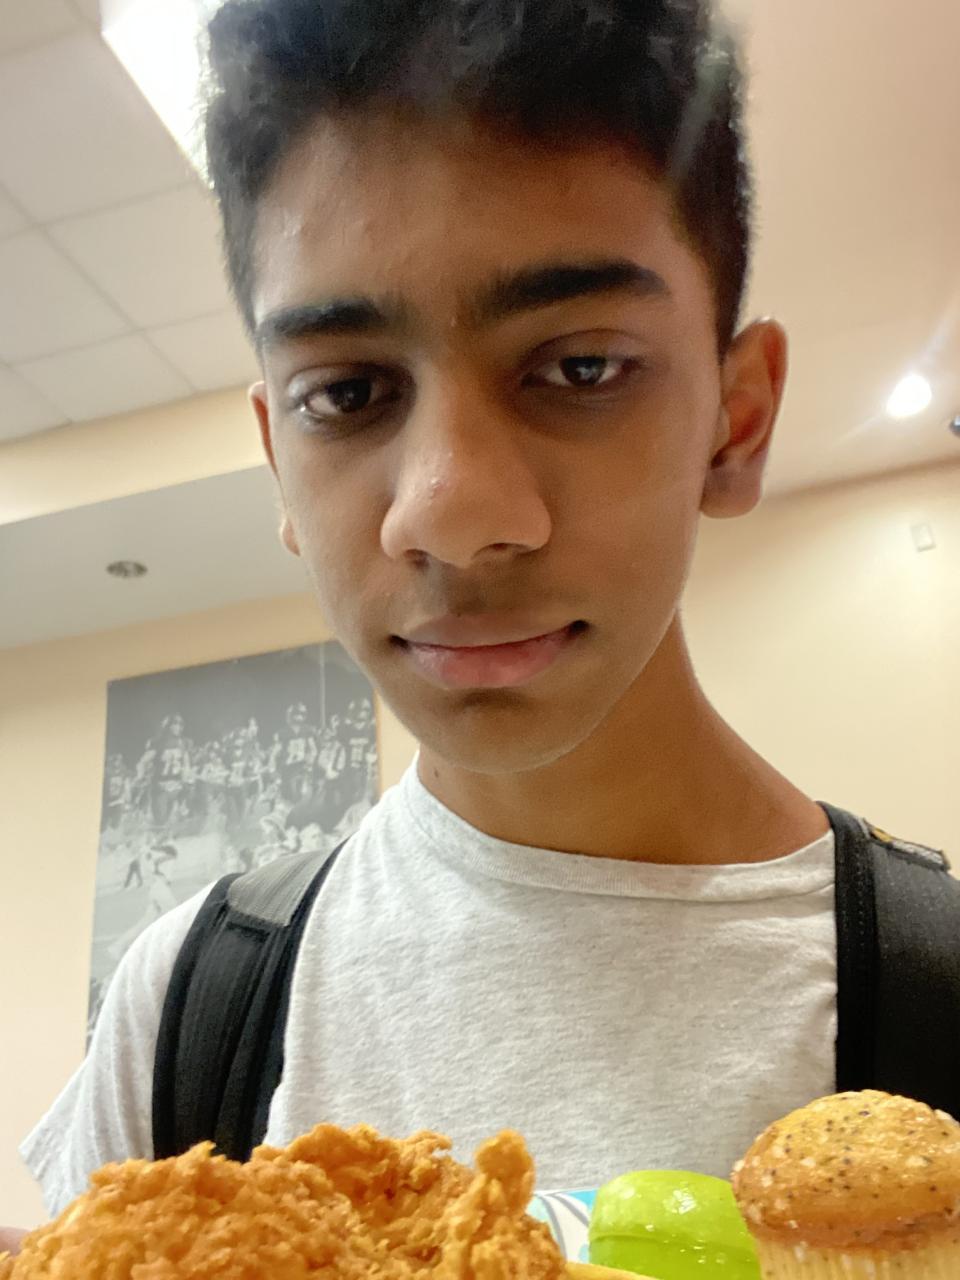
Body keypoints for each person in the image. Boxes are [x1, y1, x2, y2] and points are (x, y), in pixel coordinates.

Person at [11, 0, 949, 1230]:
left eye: (580, 367)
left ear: (736, 420)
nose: (450, 513)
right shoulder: (191, 1006)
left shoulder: (934, 991)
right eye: (348, 393)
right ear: (278, 461)